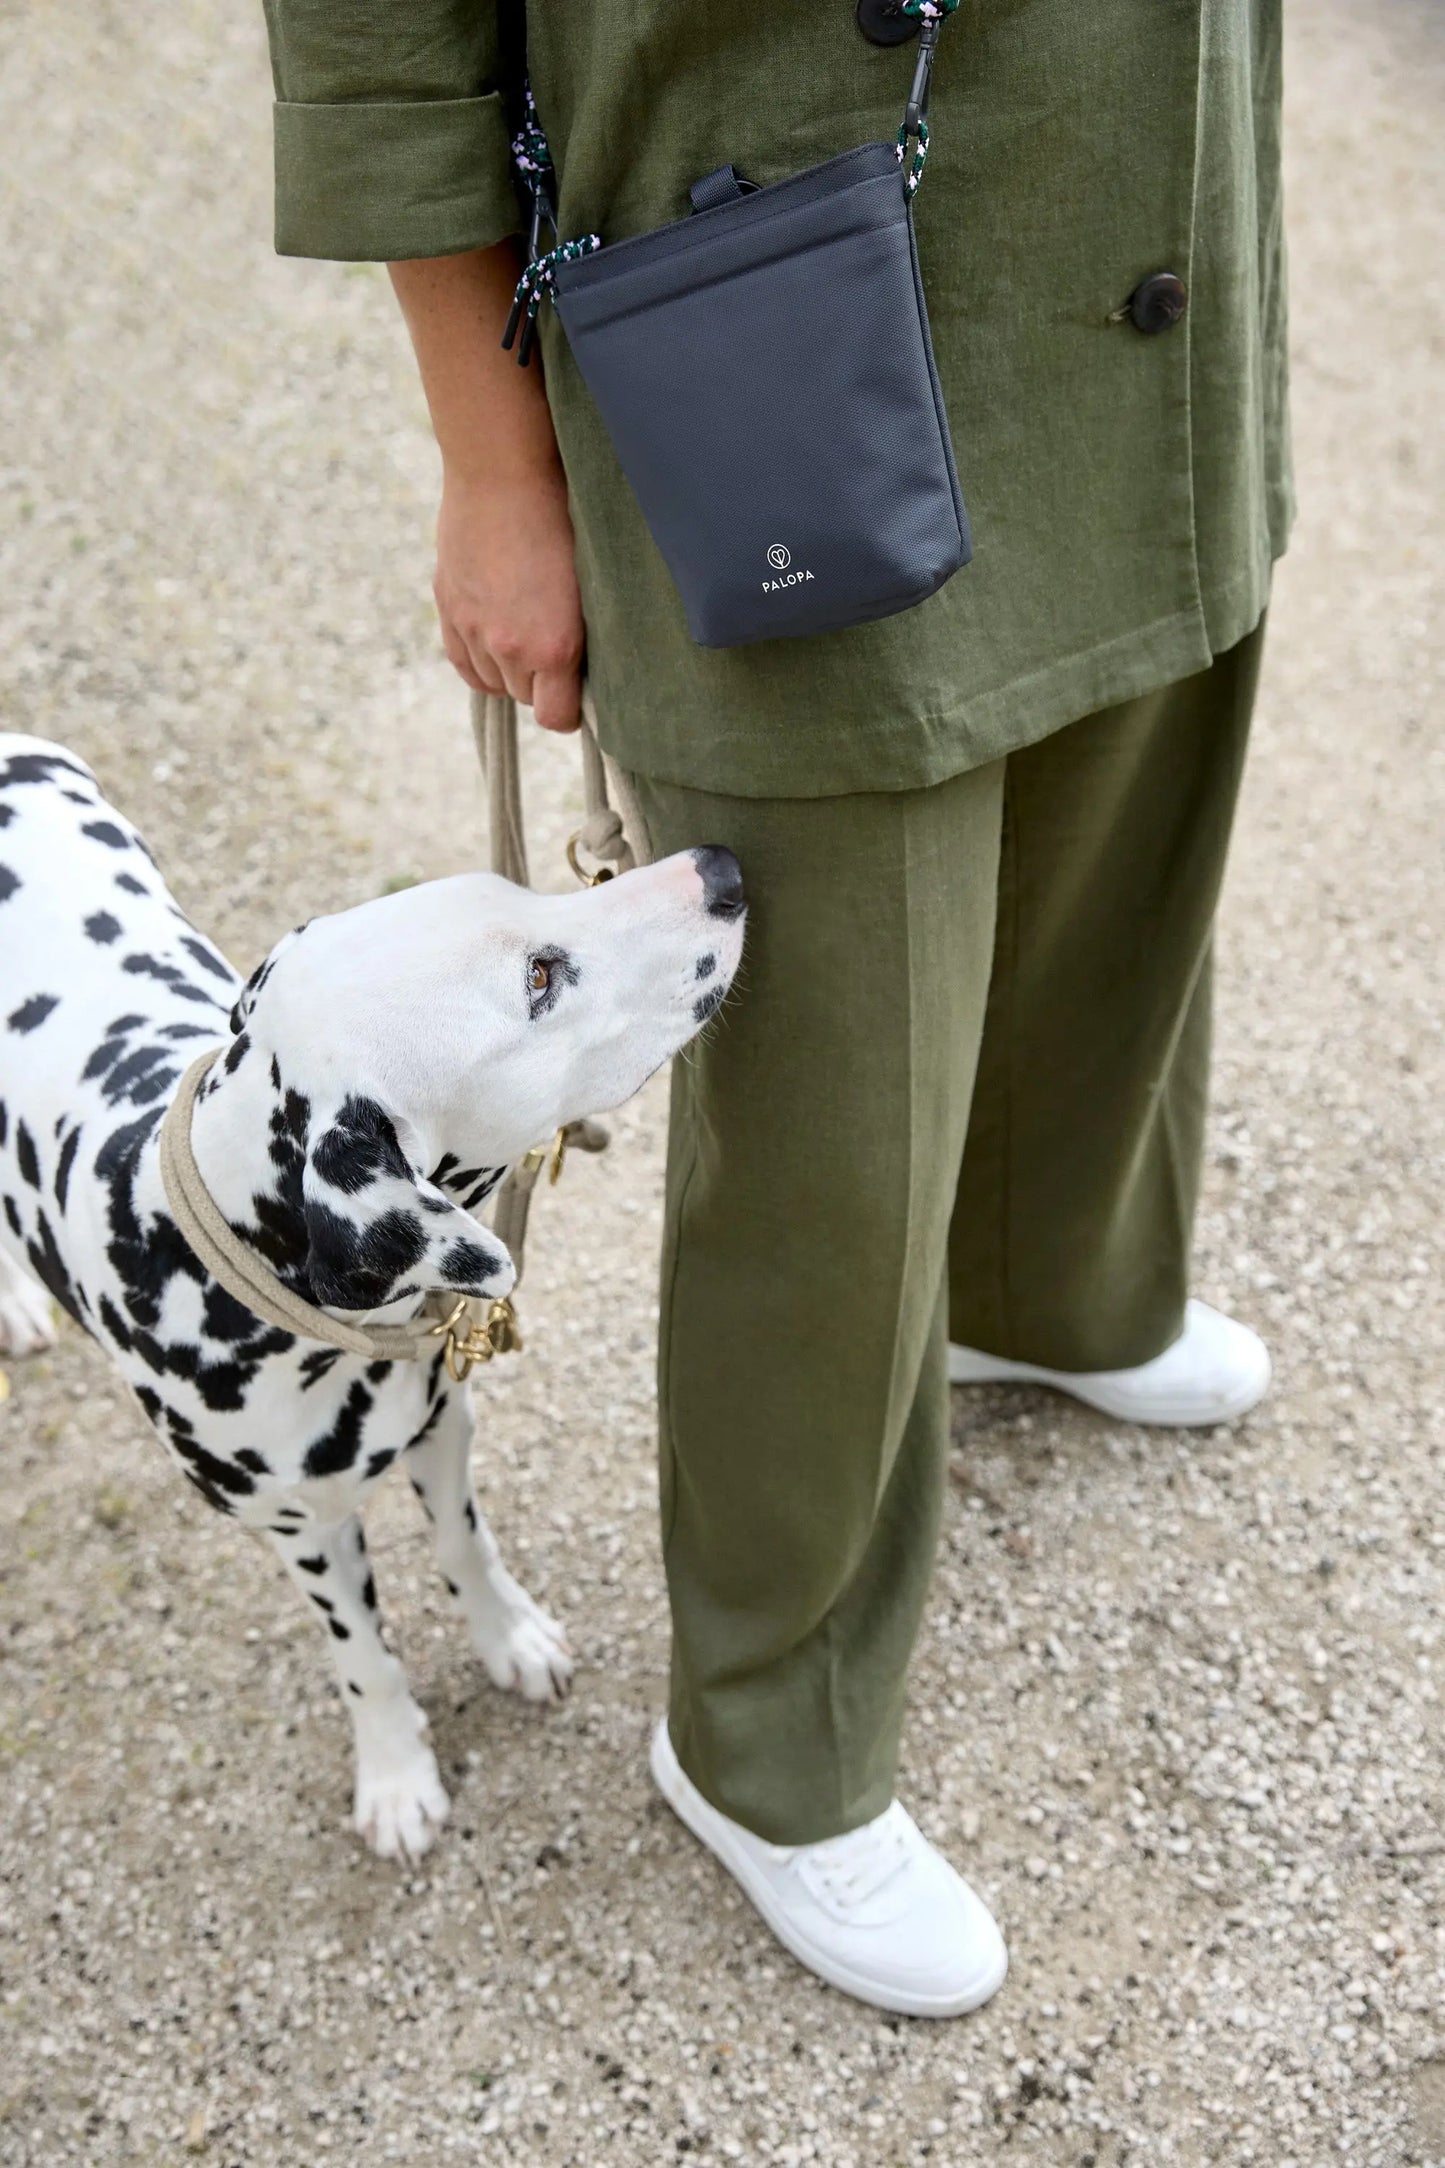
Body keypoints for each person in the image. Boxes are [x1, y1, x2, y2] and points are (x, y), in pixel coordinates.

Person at [259, 0, 1288, 2017]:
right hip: (781, 236)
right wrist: (494, 459)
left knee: (1123, 838)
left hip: (1151, 192)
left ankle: (1049, 1286)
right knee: (832, 1073)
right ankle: (771, 1736)